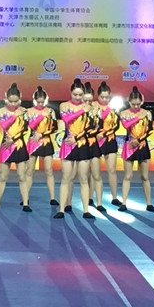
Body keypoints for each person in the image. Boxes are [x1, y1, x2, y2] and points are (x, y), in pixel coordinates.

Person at [54, 79, 94, 219]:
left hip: (82, 144)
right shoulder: (64, 105)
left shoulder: (89, 107)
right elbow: (66, 119)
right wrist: (82, 110)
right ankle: (61, 210)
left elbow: (90, 127)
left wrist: (77, 138)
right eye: (75, 94)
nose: (78, 97)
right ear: (70, 93)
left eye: (80, 95)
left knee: (83, 179)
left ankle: (86, 210)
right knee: (66, 178)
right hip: (68, 145)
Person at [0, 83, 31, 212]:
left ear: (20, 99)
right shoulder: (1, 111)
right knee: (3, 176)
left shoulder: (24, 111)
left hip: (19, 145)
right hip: (6, 147)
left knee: (22, 176)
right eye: (11, 101)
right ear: (6, 99)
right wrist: (15, 115)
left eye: (16, 101)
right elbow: (4, 125)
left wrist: (13, 139)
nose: (13, 104)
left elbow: (25, 130)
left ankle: (25, 204)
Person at [118, 86, 154, 212]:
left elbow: (150, 130)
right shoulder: (124, 113)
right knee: (127, 176)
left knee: (145, 177)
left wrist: (139, 140)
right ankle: (123, 203)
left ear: (142, 102)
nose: (135, 106)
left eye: (138, 104)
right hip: (129, 146)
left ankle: (149, 203)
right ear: (129, 102)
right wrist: (137, 117)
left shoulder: (147, 113)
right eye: (133, 104)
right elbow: (126, 125)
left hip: (142, 145)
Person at [25, 86, 59, 206]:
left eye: (42, 102)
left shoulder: (50, 111)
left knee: (49, 171)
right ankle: (25, 198)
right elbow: (27, 126)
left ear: (46, 100)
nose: (40, 104)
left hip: (46, 142)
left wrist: (42, 134)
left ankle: (52, 198)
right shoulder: (28, 111)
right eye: (38, 102)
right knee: (29, 171)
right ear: (34, 100)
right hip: (33, 142)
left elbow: (55, 128)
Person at [96, 81, 122, 206]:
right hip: (96, 140)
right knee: (95, 172)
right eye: (102, 97)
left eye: (107, 97)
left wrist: (105, 134)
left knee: (112, 170)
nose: (105, 99)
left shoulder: (114, 108)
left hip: (110, 140)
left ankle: (115, 197)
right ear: (98, 96)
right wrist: (97, 134)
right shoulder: (93, 106)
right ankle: (91, 197)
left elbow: (116, 125)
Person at [84, 82, 107, 212]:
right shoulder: (77, 111)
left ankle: (99, 203)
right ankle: (86, 199)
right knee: (83, 176)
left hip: (93, 145)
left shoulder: (97, 110)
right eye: (85, 100)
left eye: (90, 100)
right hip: (81, 145)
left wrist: (98, 133)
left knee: (96, 175)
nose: (88, 103)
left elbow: (101, 127)